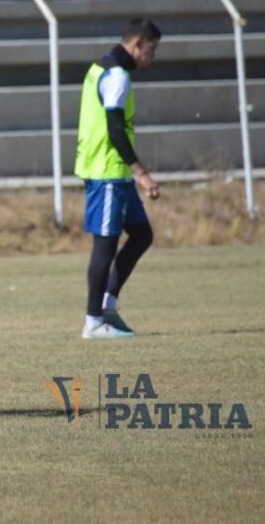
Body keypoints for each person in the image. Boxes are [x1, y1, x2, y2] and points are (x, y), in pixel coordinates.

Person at [74, 19, 162, 339]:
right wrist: (143, 174)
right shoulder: (116, 76)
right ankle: (93, 323)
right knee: (105, 244)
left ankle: (108, 305)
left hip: (116, 173)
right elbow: (114, 130)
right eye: (151, 50)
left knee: (141, 235)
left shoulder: (101, 67)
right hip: (107, 172)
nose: (152, 57)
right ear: (137, 43)